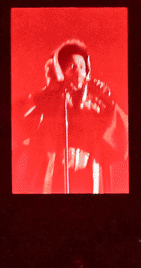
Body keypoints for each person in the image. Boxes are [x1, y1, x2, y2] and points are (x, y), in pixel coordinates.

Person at [16, 39, 129, 194]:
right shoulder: (49, 100)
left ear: (87, 70)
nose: (77, 71)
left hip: (89, 174)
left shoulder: (97, 101)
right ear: (61, 71)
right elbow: (20, 123)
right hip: (57, 174)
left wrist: (109, 104)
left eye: (82, 66)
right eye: (71, 66)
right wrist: (46, 93)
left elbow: (122, 139)